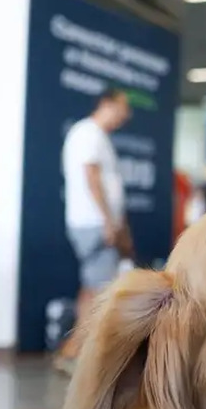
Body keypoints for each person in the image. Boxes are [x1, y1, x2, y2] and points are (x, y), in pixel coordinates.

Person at [56, 88, 133, 374]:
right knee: (99, 291)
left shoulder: (98, 137)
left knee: (91, 290)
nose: (125, 117)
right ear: (106, 103)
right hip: (93, 224)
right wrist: (107, 221)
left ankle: (74, 352)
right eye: (122, 109)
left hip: (98, 223)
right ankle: (75, 353)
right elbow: (92, 177)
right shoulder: (87, 134)